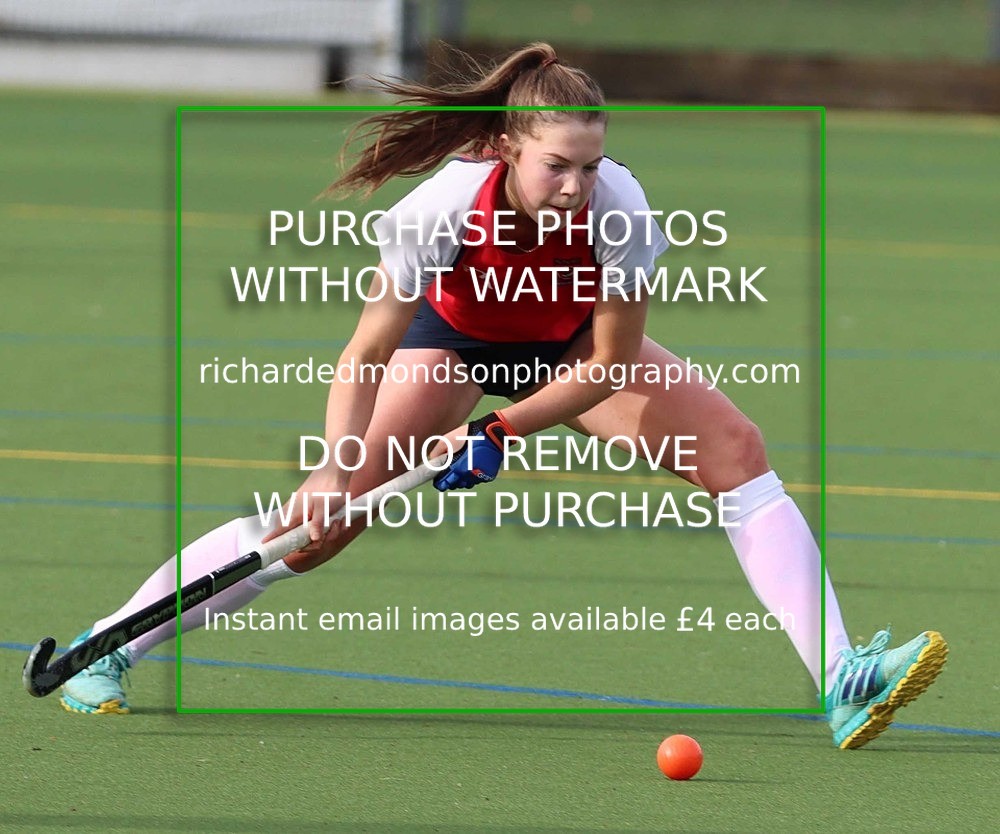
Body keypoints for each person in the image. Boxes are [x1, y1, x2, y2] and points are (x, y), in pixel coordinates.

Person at [59, 43, 946, 749]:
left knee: (736, 452)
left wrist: (505, 429)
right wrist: (334, 471)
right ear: (504, 149)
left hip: (565, 350)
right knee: (315, 529)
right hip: (450, 348)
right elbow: (366, 351)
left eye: (590, 167)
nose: (576, 187)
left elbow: (606, 364)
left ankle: (842, 679)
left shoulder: (622, 213)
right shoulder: (436, 211)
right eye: (558, 165)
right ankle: (107, 646)